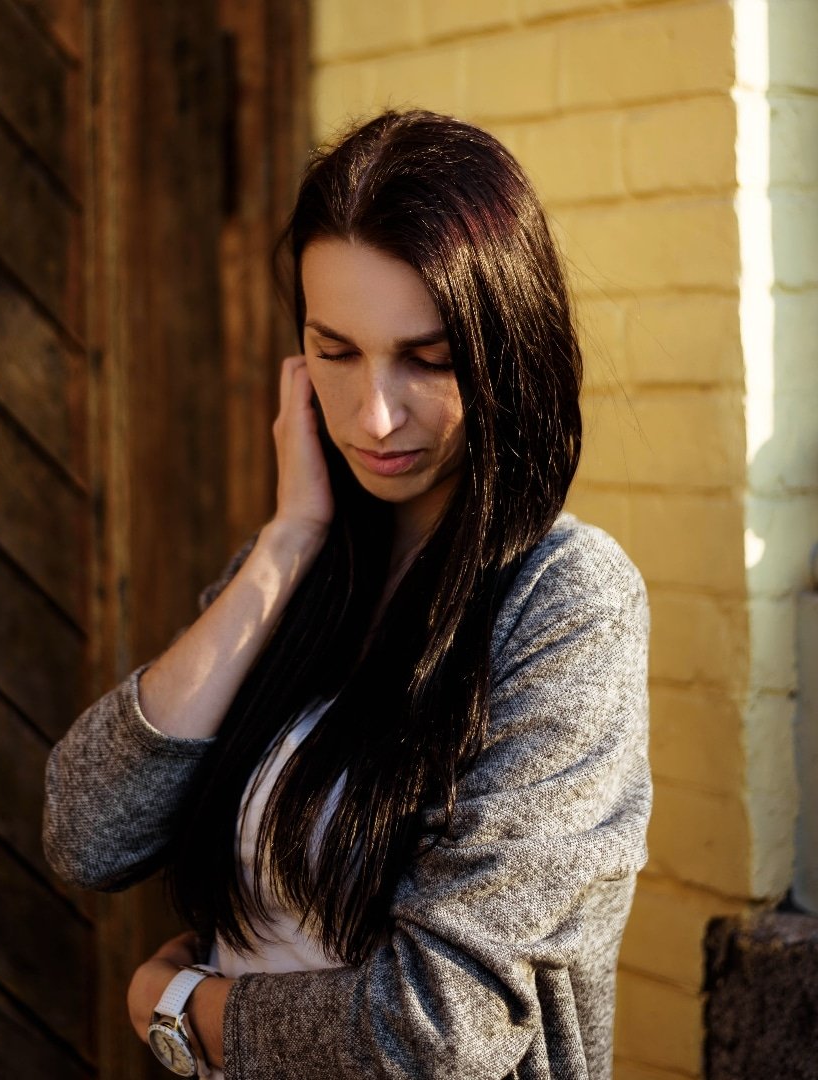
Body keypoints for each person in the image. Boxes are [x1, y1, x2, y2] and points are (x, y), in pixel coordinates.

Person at [43, 108, 651, 1080]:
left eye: (429, 358)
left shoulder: (566, 603)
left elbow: (440, 1029)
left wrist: (184, 1012)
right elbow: (88, 833)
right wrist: (287, 543)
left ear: (507, 350)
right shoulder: (297, 574)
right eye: (336, 351)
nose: (374, 416)